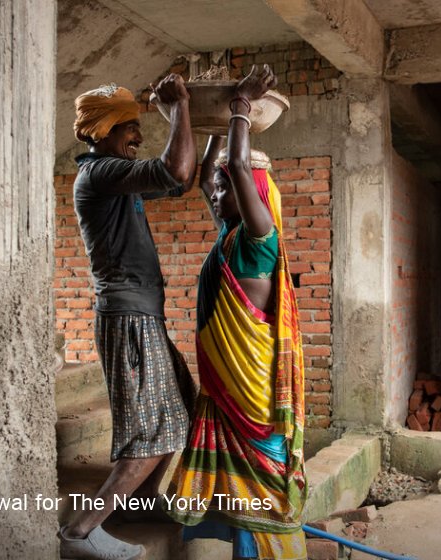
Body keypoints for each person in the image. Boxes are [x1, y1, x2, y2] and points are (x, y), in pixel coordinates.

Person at [166, 64, 307, 560]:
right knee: (236, 501)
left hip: (250, 392)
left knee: (260, 499)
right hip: (227, 388)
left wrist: (241, 107)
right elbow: (210, 176)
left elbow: (239, 170)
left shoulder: (257, 241)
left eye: (228, 190)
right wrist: (207, 129)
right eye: (222, 188)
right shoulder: (228, 237)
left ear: (255, 200)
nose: (217, 193)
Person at [59, 75, 197, 560]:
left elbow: (184, 180)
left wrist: (210, 123)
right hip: (128, 319)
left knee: (178, 409)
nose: (137, 137)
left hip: (141, 318)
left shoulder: (117, 177)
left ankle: (136, 507)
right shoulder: (99, 174)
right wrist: (179, 109)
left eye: (139, 127)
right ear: (102, 131)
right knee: (150, 434)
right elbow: (175, 170)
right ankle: (81, 530)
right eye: (129, 127)